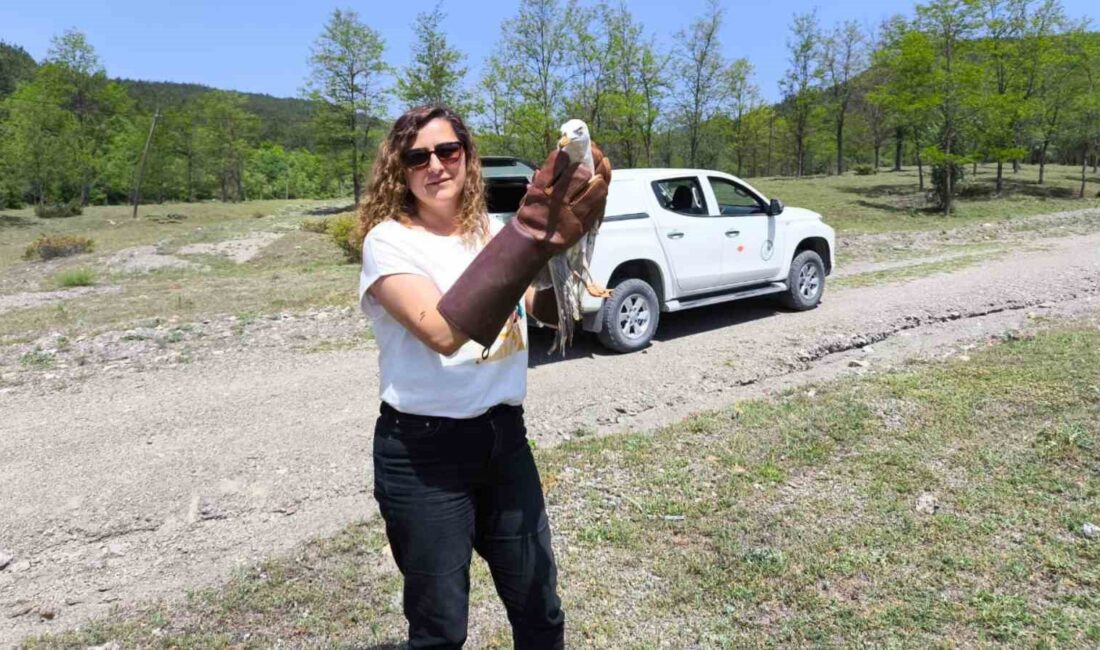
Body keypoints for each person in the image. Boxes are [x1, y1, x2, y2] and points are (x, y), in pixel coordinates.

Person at [356, 105, 610, 649]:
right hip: (424, 455)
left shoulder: (486, 230)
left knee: (540, 606)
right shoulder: (388, 242)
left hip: (503, 440)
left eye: (449, 151)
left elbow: (528, 304)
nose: (436, 166)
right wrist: (529, 232)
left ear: (468, 159)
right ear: (398, 170)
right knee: (441, 629)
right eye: (417, 156)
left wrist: (574, 269)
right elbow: (443, 332)